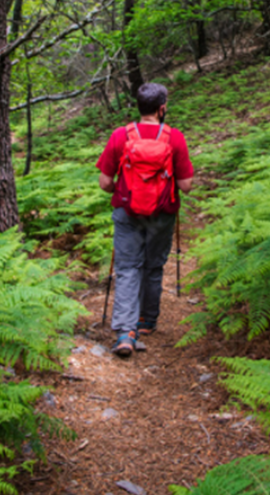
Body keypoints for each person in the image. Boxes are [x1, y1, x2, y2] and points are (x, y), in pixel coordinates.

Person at [96, 83, 194, 357]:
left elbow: (104, 182)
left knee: (128, 268)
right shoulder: (174, 138)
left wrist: (126, 192)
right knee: (153, 267)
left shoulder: (121, 136)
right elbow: (186, 185)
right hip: (162, 214)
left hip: (127, 213)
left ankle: (125, 333)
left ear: (139, 107)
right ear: (162, 108)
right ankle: (147, 321)